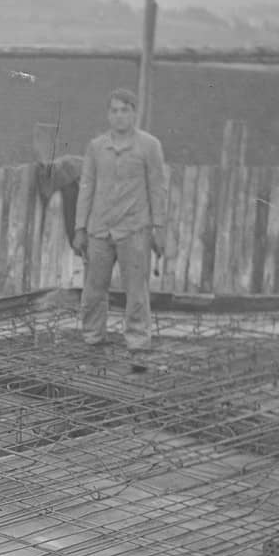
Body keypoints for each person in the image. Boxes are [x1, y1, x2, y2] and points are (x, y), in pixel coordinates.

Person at [72, 88, 167, 370]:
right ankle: (93, 336)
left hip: (134, 229)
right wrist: (80, 227)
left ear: (134, 113)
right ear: (108, 114)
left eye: (124, 110)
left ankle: (137, 341)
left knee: (136, 290)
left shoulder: (149, 146)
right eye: (114, 110)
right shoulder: (96, 147)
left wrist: (158, 227)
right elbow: (86, 187)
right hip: (99, 230)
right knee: (93, 290)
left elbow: (157, 188)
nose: (119, 116)